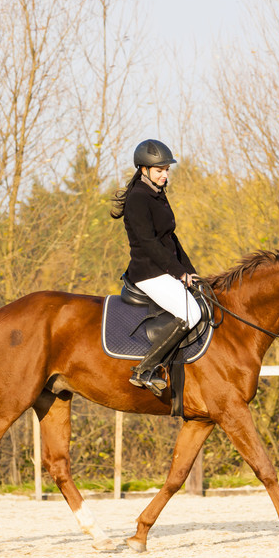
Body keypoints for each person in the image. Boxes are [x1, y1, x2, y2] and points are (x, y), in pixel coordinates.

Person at [111, 138, 201, 396]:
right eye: (160, 170)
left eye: (167, 170)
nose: (165, 174)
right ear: (144, 169)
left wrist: (191, 271)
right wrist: (179, 272)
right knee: (190, 314)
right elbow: (149, 244)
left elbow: (170, 238)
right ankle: (145, 369)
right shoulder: (138, 198)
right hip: (148, 272)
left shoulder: (158, 194)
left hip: (163, 269)